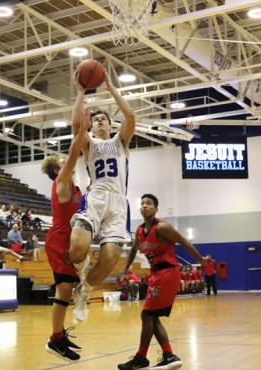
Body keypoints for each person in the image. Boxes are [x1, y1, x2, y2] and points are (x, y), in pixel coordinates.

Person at [69, 66, 136, 321]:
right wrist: (81, 93)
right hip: (96, 196)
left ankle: (84, 289)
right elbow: (77, 126)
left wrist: (111, 89)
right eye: (96, 119)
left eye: (104, 119)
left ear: (110, 125)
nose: (99, 121)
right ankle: (81, 271)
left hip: (118, 204)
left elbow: (130, 117)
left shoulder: (121, 142)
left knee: (109, 260)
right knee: (76, 250)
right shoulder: (90, 143)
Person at [118, 194, 205, 370]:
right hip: (156, 274)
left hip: (167, 272)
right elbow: (134, 250)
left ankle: (143, 357)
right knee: (152, 316)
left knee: (147, 315)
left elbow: (184, 241)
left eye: (149, 204)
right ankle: (168, 355)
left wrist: (200, 260)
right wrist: (124, 269)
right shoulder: (140, 231)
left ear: (156, 209)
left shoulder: (162, 227)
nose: (144, 206)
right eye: (142, 203)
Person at [41, 106, 89, 361]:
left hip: (69, 237)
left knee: (68, 290)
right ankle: (56, 340)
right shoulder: (61, 182)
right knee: (64, 290)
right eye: (63, 164)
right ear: (58, 171)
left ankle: (58, 337)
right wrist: (82, 129)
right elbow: (73, 153)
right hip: (59, 238)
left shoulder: (74, 187)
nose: (68, 164)